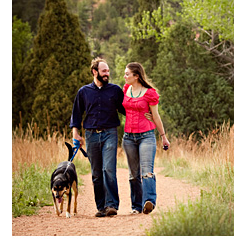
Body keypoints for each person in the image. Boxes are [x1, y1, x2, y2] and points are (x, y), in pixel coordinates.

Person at [70, 58, 125, 217]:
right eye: (104, 71)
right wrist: (76, 134)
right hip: (91, 135)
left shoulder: (115, 90)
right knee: (96, 173)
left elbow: (126, 110)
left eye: (108, 71)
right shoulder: (84, 92)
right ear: (95, 72)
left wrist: (144, 114)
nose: (107, 74)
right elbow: (77, 114)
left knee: (108, 169)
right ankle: (101, 207)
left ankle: (111, 205)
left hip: (110, 133)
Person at [122, 62, 170, 214]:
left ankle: (149, 201)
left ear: (136, 76)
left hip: (146, 136)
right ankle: (136, 206)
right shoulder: (125, 89)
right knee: (133, 173)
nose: (125, 76)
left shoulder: (150, 93)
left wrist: (163, 137)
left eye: (127, 74)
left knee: (147, 170)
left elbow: (156, 116)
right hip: (128, 137)